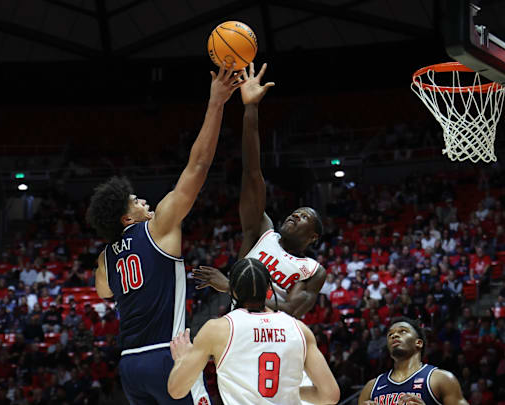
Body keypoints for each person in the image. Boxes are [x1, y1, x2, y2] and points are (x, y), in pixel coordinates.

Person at [88, 64, 242, 405]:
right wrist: (216, 102)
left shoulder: (105, 257)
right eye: (136, 200)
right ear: (127, 216)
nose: (144, 200)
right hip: (166, 355)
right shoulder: (158, 227)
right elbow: (198, 167)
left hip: (130, 365)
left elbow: (103, 292)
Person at [194, 62, 326, 318]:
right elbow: (252, 173)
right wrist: (251, 108)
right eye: (296, 212)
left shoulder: (311, 269)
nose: (295, 215)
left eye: (305, 217)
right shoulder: (262, 232)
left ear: (313, 238)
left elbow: (292, 309)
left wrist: (232, 285)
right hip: (239, 326)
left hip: (277, 339)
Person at [168, 258, 339, 404]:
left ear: (232, 290)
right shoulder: (300, 329)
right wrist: (293, 392)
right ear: (269, 290)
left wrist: (181, 360)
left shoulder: (217, 329)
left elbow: (176, 390)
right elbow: (330, 396)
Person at [358, 317, 468, 405]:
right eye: (390, 334)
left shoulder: (441, 379)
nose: (394, 335)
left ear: (418, 343)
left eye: (403, 331)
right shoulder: (371, 387)